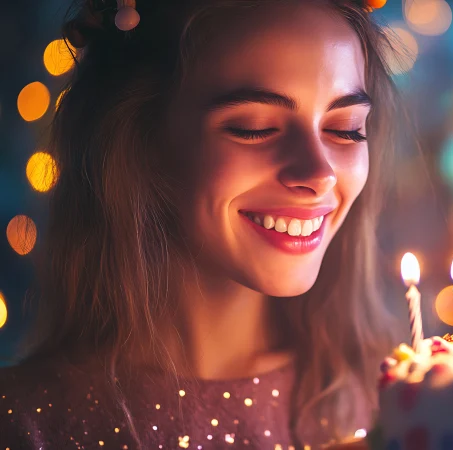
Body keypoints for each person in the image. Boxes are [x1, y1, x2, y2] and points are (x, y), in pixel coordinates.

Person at [0, 0, 403, 448]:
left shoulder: (402, 404)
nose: (319, 173)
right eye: (253, 127)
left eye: (346, 129)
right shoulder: (23, 426)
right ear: (140, 141)